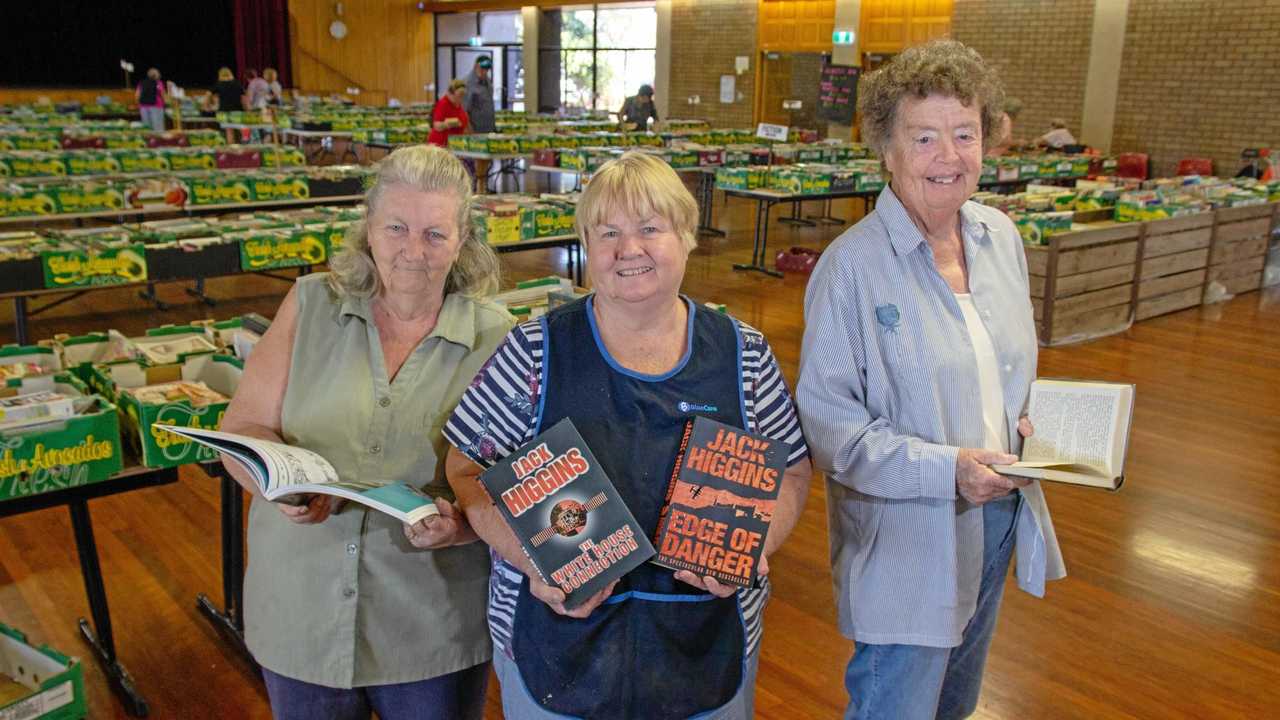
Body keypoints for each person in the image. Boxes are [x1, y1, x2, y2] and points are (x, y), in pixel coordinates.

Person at [444, 151, 813, 719]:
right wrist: (530, 560)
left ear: (687, 236)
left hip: (706, 643)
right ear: (587, 246)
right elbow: (465, 468)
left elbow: (790, 469)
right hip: (554, 644)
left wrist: (757, 544)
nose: (629, 249)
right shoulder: (533, 351)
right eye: (608, 232)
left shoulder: (745, 354)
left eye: (649, 228)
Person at [795, 39, 1066, 720]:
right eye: (925, 137)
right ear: (886, 149)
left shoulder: (999, 238)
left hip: (996, 517)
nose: (949, 156)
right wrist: (947, 471)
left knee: (954, 706)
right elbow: (831, 429)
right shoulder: (851, 269)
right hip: (906, 543)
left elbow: (1004, 372)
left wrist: (1035, 428)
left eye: (965, 134)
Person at [218, 144, 513, 720]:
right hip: (301, 613)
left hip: (433, 629)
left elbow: (516, 479)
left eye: (435, 233)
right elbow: (244, 428)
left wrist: (461, 526)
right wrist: (279, 485)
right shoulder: (309, 305)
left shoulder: (497, 337)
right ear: (368, 229)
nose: (412, 250)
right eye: (396, 227)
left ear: (463, 242)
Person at [463, 56, 496, 192]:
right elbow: (464, 110)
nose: (484, 72)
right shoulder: (468, 83)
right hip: (475, 129)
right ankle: (476, 190)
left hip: (488, 128)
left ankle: (483, 188)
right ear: (476, 66)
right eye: (482, 69)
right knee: (476, 163)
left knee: (486, 162)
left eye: (487, 70)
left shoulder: (487, 82)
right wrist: (469, 130)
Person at [427, 79, 470, 147]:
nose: (461, 98)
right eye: (459, 95)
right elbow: (436, 125)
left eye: (463, 95)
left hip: (456, 144)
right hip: (440, 144)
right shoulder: (443, 104)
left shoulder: (459, 105)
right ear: (451, 93)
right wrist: (449, 124)